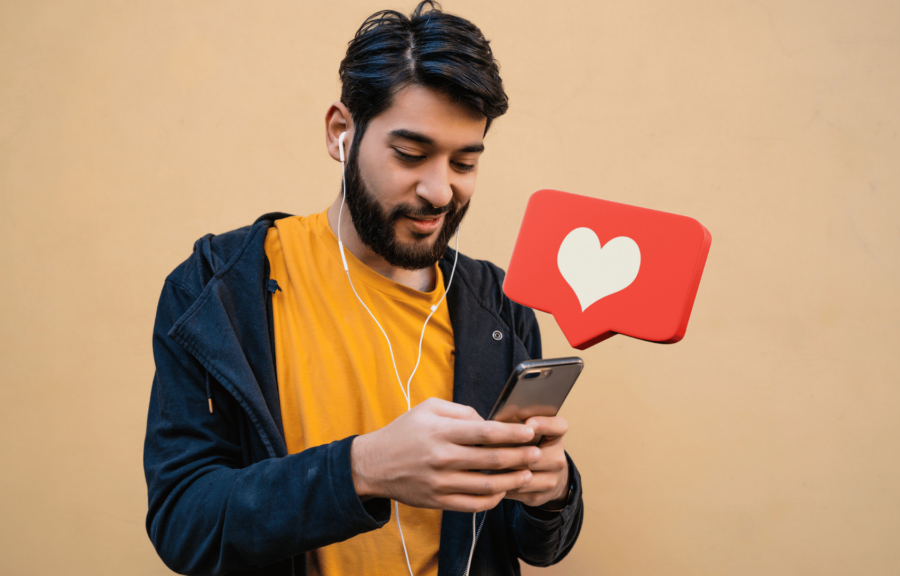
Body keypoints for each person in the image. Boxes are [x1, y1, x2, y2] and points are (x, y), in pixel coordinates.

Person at [143, 2, 584, 575]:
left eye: (464, 162)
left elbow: (538, 545)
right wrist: (362, 468)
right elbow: (185, 525)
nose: (440, 191)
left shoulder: (498, 303)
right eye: (411, 154)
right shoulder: (217, 290)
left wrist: (552, 492)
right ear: (341, 132)